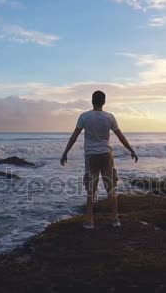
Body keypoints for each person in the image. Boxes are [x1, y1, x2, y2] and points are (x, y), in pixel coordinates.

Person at [60, 90, 138, 229]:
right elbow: (121, 136)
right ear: (104, 102)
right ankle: (115, 219)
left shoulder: (84, 117)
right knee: (111, 189)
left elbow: (74, 137)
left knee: (91, 190)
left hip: (91, 156)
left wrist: (65, 152)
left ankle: (89, 221)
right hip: (106, 155)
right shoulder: (109, 117)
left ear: (92, 101)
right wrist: (131, 150)